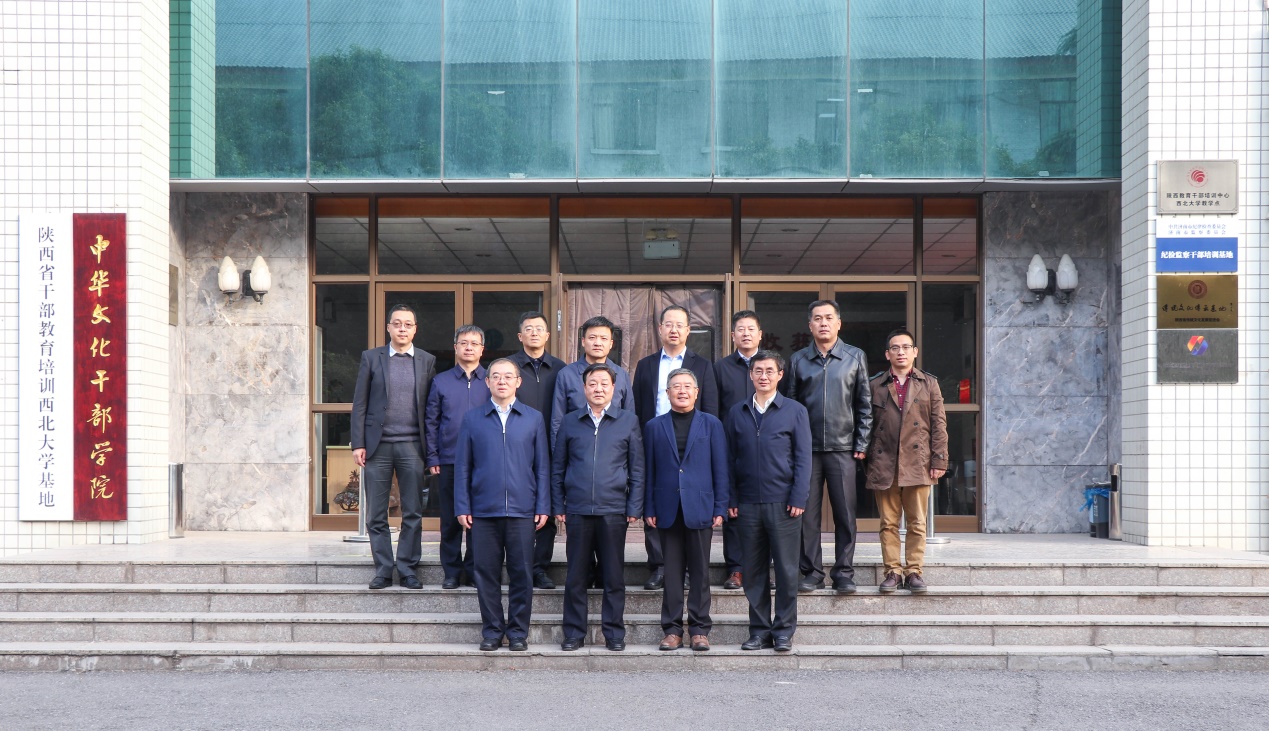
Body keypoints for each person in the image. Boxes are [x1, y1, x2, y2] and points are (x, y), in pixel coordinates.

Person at [454, 358, 550, 652]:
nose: (502, 381)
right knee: (486, 574)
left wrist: (542, 505)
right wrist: (462, 506)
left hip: (522, 510)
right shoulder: (473, 419)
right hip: (483, 510)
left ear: (518, 382)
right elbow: (463, 467)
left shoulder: (533, 418)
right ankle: (493, 631)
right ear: (487, 382)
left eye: (508, 376)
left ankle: (518, 632)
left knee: (522, 574)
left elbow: (542, 467)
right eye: (496, 376)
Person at [551, 363, 645, 652]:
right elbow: (558, 467)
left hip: (613, 509)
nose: (598, 388)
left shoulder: (627, 421)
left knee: (613, 576)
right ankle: (573, 633)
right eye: (593, 383)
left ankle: (614, 633)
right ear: (584, 388)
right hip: (577, 509)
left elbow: (637, 468)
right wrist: (558, 503)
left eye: (604, 383)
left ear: (614, 389)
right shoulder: (570, 421)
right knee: (575, 576)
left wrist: (634, 506)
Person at [723, 350, 811, 652]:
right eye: (758, 371)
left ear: (780, 375)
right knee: (754, 571)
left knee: (786, 571)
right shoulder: (737, 412)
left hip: (784, 504)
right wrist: (731, 497)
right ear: (751, 375)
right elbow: (728, 459)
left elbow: (803, 459)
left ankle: (783, 631)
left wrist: (798, 496)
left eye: (769, 371)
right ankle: (759, 631)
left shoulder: (795, 411)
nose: (763, 376)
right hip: (747, 504)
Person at [786, 300, 873, 594]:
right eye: (817, 318)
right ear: (809, 325)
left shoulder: (855, 357)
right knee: (805, 516)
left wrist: (861, 441)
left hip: (843, 448)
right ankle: (811, 572)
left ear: (838, 323)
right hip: (806, 451)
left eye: (828, 318)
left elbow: (864, 404)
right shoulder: (798, 360)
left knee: (845, 515)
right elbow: (790, 408)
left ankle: (844, 573)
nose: (823, 323)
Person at [350, 304, 437, 590]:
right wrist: (358, 443)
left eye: (408, 324)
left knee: (412, 512)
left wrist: (431, 448)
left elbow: (430, 407)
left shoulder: (426, 360)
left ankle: (408, 569)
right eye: (397, 323)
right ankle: (384, 570)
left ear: (415, 329)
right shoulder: (371, 358)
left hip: (413, 445)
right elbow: (360, 403)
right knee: (377, 513)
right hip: (378, 447)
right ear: (388, 327)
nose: (402, 328)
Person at [632, 305, 718, 591]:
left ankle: (691, 569)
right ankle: (659, 566)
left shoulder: (702, 365)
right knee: (657, 500)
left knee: (689, 502)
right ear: (660, 329)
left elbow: (710, 408)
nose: (674, 329)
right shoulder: (646, 365)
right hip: (655, 439)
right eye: (668, 324)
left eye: (680, 325)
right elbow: (638, 407)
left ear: (688, 330)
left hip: (692, 443)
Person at [643, 369, 729, 652]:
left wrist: (720, 506)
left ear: (696, 392)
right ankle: (672, 630)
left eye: (687, 386)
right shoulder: (654, 426)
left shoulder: (711, 424)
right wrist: (649, 506)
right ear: (667, 393)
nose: (682, 391)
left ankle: (699, 630)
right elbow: (649, 471)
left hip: (701, 506)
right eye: (676, 386)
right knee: (671, 573)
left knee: (701, 572)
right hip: (666, 507)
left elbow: (721, 468)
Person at [866, 328, 948, 594]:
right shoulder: (875, 385)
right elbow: (866, 424)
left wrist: (939, 460)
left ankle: (914, 571)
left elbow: (939, 424)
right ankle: (892, 571)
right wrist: (866, 459)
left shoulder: (929, 383)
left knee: (917, 522)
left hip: (918, 462)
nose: (900, 352)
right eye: (895, 348)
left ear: (915, 352)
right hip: (884, 462)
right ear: (887, 354)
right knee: (888, 523)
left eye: (905, 347)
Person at [424, 325, 488, 590]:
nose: (468, 347)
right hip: (449, 460)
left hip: (485, 462)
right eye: (464, 343)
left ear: (482, 349)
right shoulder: (441, 381)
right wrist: (433, 456)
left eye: (474, 343)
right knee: (450, 520)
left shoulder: (491, 380)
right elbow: (431, 422)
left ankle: (473, 571)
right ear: (455, 347)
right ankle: (451, 572)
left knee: (479, 520)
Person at [509, 311, 568, 591]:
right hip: (516, 449)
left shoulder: (561, 369)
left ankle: (540, 567)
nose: (534, 333)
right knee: (517, 509)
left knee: (548, 509)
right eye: (528, 329)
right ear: (520, 336)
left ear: (547, 335)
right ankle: (517, 565)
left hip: (553, 449)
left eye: (539, 329)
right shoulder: (508, 367)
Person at [713, 309, 763, 590]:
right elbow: (714, 408)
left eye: (751, 329)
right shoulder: (720, 368)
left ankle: (761, 568)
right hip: (731, 447)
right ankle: (736, 569)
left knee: (766, 511)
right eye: (740, 329)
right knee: (733, 509)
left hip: (767, 448)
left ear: (760, 334)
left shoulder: (770, 365)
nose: (746, 334)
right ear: (733, 335)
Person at [549, 315, 635, 443]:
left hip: (614, 448)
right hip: (577, 446)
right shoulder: (566, 375)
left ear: (611, 344)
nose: (598, 343)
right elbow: (557, 421)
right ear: (583, 341)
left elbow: (629, 418)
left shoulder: (621, 375)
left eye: (603, 338)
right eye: (592, 337)